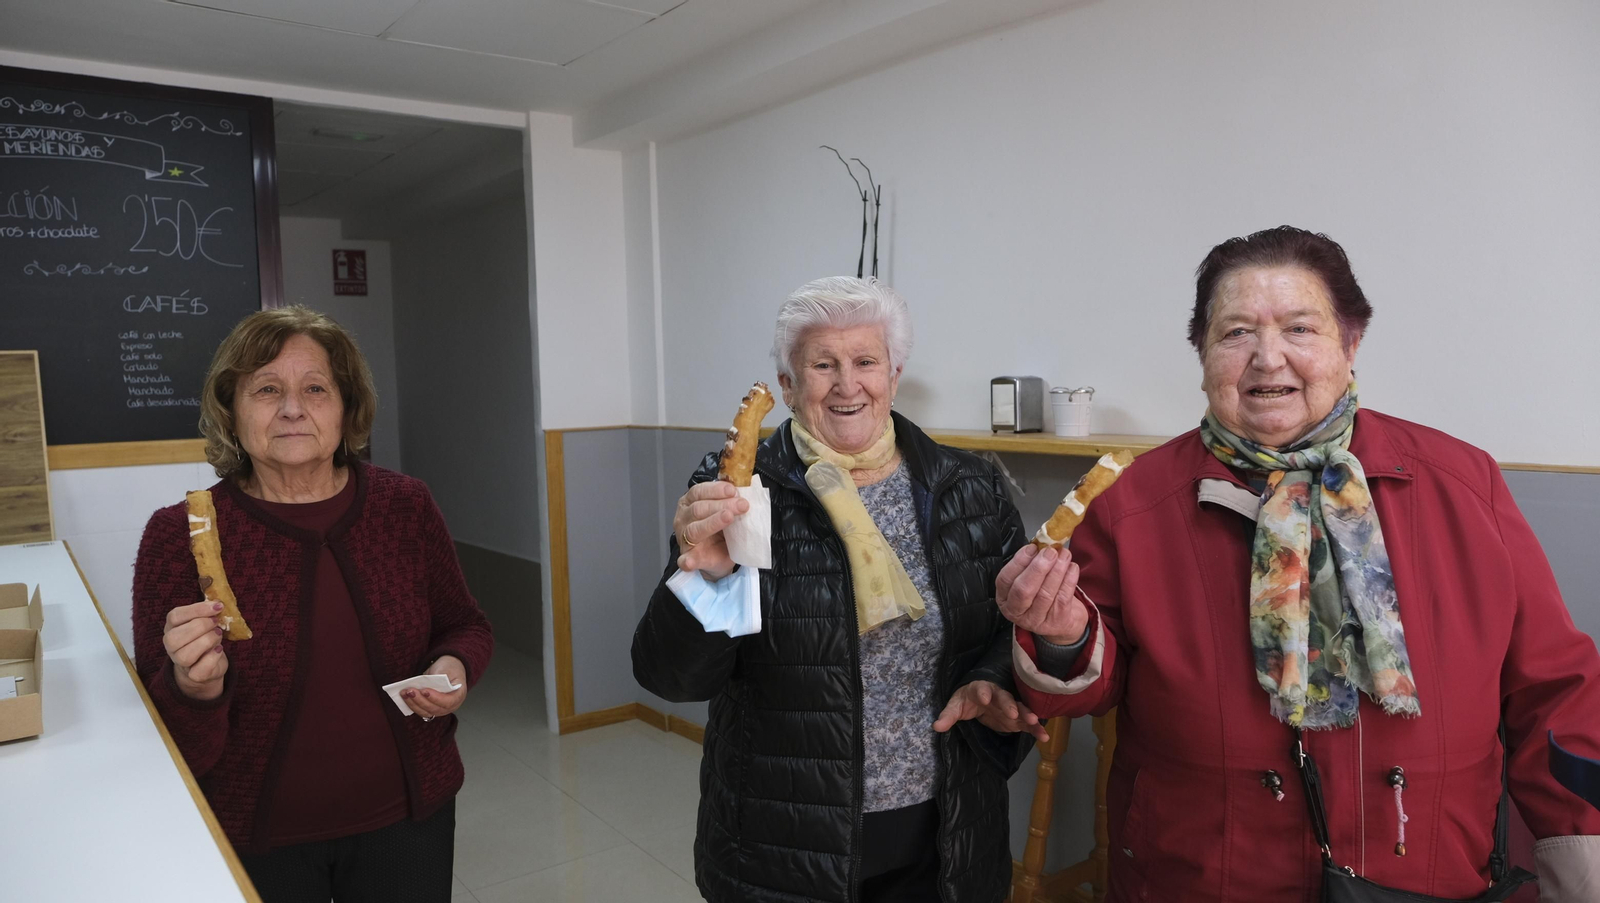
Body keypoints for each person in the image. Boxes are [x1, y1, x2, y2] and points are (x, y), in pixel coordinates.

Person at [998, 226, 1600, 901]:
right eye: (1235, 333)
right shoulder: (1133, 503)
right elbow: (1085, 683)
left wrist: (1581, 868)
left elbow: (1556, 687)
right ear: (1200, 350)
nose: (1267, 357)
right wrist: (1060, 634)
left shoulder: (1462, 483)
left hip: (1427, 874)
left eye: (1299, 328)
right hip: (1202, 875)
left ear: (1351, 341)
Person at [633, 276, 1044, 903]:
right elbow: (674, 678)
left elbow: (1008, 628)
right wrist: (707, 579)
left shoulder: (970, 488)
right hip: (784, 846)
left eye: (865, 362)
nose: (847, 384)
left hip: (948, 836)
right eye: (822, 364)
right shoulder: (742, 493)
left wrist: (992, 675)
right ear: (791, 386)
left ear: (894, 373)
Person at [132, 306, 493, 903]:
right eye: (267, 389)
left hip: (406, 821)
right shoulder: (180, 535)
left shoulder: (405, 506)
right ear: (231, 410)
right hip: (255, 838)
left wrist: (453, 666)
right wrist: (191, 688)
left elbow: (465, 625)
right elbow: (166, 735)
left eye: (316, 389)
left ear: (346, 408)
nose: (293, 408)